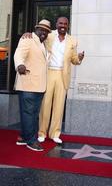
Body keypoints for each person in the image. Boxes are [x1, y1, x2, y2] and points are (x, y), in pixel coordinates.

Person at [22, 17, 84, 144]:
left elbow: (73, 60)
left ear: (68, 25)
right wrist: (28, 34)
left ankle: (55, 133)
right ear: (56, 24)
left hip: (62, 75)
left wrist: (79, 58)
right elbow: (37, 37)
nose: (63, 25)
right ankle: (42, 133)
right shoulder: (49, 35)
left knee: (59, 106)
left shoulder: (72, 40)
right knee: (45, 104)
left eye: (65, 24)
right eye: (60, 23)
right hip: (48, 72)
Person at [14, 19, 51, 151]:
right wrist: (20, 65)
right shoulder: (27, 39)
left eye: (46, 31)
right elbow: (19, 54)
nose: (44, 33)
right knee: (29, 113)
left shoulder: (44, 44)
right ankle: (31, 141)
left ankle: (24, 137)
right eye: (42, 29)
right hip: (28, 84)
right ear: (36, 29)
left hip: (40, 86)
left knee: (31, 113)